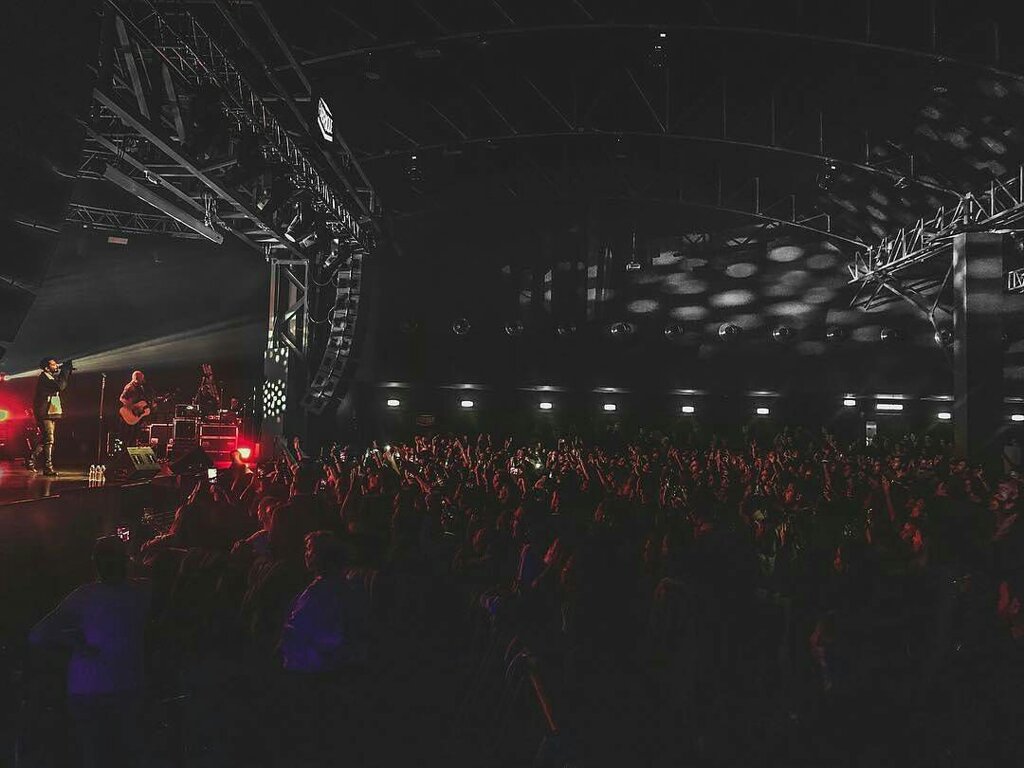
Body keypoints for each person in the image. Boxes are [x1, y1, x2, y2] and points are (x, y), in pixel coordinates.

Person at [29, 536, 151, 768]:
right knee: (129, 754)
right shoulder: (142, 591)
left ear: (95, 563)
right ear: (125, 560)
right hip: (126, 686)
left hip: (89, 688)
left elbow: (38, 634)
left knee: (96, 755)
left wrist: (75, 643)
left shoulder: (85, 596)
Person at [28, 357, 72, 476]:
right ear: (47, 368)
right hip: (44, 413)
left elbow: (60, 384)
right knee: (49, 439)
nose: (56, 366)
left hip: (50, 412)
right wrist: (65, 370)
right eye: (53, 364)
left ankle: (31, 460)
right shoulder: (44, 378)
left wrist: (66, 371)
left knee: (46, 439)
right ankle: (47, 467)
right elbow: (60, 386)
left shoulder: (49, 377)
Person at [118, 370, 150, 446]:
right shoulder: (130, 387)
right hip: (128, 415)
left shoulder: (140, 388)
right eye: (141, 379)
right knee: (128, 437)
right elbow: (122, 398)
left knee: (134, 437)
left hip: (135, 416)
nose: (143, 380)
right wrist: (133, 407)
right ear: (137, 379)